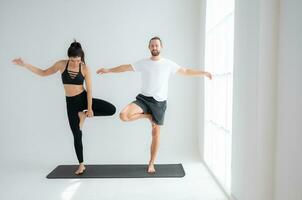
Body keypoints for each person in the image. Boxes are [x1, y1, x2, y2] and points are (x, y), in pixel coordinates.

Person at [96, 36, 212, 173]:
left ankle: (151, 163)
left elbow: (186, 71)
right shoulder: (143, 63)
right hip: (144, 99)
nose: (154, 48)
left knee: (155, 133)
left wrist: (203, 73)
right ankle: (147, 117)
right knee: (123, 115)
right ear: (149, 47)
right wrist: (109, 70)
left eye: (157, 45)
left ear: (161, 47)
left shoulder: (168, 64)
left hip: (159, 103)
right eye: (152, 45)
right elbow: (126, 67)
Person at [12, 41, 116, 175]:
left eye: (78, 60)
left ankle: (83, 115)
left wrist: (89, 109)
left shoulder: (84, 68)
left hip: (83, 98)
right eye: (72, 60)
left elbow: (89, 90)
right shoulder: (61, 64)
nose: (75, 63)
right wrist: (25, 64)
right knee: (77, 134)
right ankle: (81, 165)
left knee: (111, 109)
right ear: (69, 57)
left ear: (81, 58)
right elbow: (43, 73)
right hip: (71, 104)